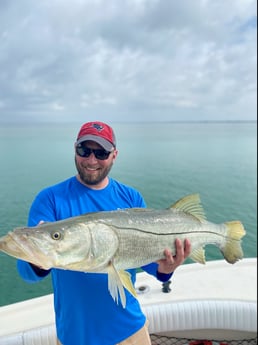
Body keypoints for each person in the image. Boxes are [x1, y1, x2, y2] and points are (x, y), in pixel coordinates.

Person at [17, 121, 191, 345]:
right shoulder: (50, 199)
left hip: (130, 332)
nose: (91, 160)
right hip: (74, 336)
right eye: (84, 150)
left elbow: (145, 259)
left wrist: (165, 269)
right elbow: (26, 272)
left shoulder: (131, 197)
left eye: (101, 153)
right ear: (75, 149)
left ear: (114, 155)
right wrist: (38, 258)